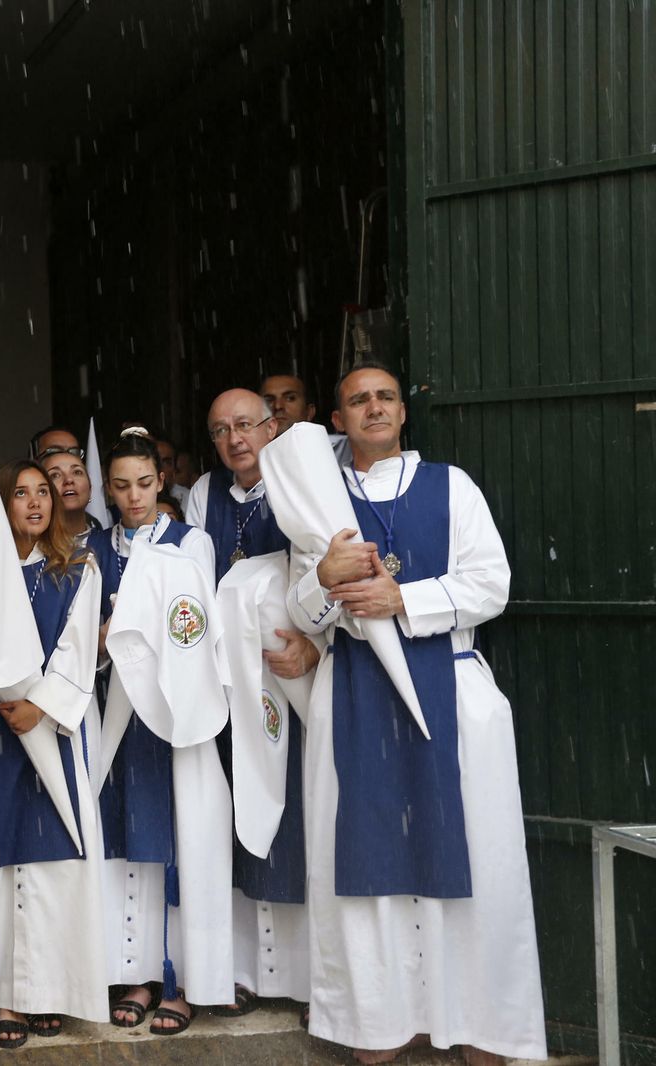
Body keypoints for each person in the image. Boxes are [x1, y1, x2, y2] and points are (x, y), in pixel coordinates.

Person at [284, 362, 544, 1064]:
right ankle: (380, 1026)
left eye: (385, 398)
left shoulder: (451, 486)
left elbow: (492, 584)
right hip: (355, 694)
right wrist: (324, 581)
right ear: (336, 420)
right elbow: (299, 612)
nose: (373, 409)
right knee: (365, 867)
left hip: (452, 687)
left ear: (403, 412)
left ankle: (483, 1025)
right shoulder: (316, 501)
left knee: (476, 858)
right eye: (357, 401)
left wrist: (407, 601)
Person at [89, 428, 231, 1037]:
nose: (133, 496)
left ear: (161, 480)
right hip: (112, 707)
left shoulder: (189, 541)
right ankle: (132, 972)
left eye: (144, 483)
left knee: (176, 837)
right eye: (120, 486)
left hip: (172, 706)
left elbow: (195, 621)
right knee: (122, 835)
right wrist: (99, 639)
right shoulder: (92, 544)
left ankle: (179, 976)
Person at [184, 389, 318, 1019]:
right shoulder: (203, 497)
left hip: (288, 683)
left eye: (245, 424)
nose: (235, 438)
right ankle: (237, 969)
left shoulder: (305, 482)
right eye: (220, 430)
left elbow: (328, 571)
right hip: (227, 685)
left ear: (274, 426)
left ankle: (309, 976)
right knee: (233, 818)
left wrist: (316, 649)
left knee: (296, 814)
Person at [0, 460, 108, 1047]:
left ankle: (51, 990)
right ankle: (4, 996)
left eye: (42, 493)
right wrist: (10, 703)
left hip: (53, 731)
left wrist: (43, 706)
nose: (34, 503)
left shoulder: (77, 568)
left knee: (54, 857)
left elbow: (77, 647)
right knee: (1, 855)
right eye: (19, 493)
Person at [262, 371, 352, 465]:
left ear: (309, 411)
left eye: (290, 398)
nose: (278, 406)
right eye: (269, 400)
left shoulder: (340, 449)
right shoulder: (249, 457)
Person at [32, 427, 96, 538]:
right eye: (55, 475)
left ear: (90, 487)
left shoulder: (112, 543)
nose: (69, 480)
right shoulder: (27, 549)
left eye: (77, 472)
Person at [155, 437, 191, 513]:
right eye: (155, 461)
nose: (160, 467)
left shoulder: (190, 499)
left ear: (174, 470)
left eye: (166, 463)